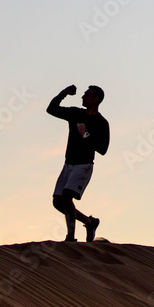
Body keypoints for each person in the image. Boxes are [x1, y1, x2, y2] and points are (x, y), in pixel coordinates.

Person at [47, 84, 110, 242]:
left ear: (96, 100)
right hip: (68, 164)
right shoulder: (75, 113)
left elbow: (103, 149)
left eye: (87, 95)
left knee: (67, 196)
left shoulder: (101, 122)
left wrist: (86, 135)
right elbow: (51, 109)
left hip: (84, 165)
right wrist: (63, 93)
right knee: (58, 201)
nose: (83, 97)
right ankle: (90, 222)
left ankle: (70, 238)